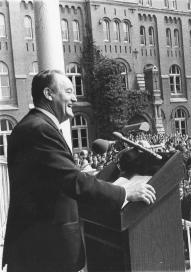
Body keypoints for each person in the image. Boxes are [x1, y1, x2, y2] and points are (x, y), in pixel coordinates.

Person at [2, 70, 156, 272]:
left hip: (39, 246)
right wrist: (125, 193)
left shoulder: (36, 125)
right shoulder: (39, 129)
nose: (74, 97)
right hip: (45, 251)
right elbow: (71, 180)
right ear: (48, 94)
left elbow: (56, 178)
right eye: (68, 91)